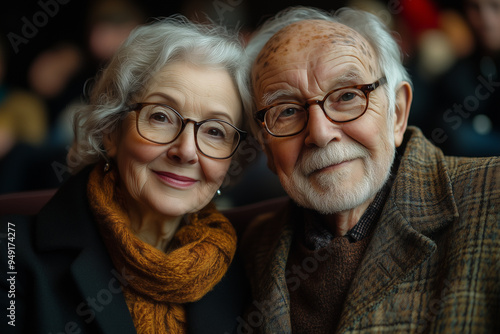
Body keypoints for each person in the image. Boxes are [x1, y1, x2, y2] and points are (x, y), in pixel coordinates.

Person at [238, 6, 500, 333]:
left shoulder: (492, 201)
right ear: (265, 146)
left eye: (347, 95)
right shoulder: (247, 251)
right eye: (287, 110)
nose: (320, 133)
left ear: (398, 113)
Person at [0, 16, 250, 334]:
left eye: (215, 131)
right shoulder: (10, 252)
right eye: (161, 116)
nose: (186, 151)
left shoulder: (249, 266)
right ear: (111, 131)